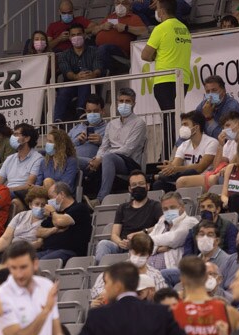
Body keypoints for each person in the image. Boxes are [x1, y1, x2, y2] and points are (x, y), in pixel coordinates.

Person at [141, 0, 192, 154]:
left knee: (168, 120)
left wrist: (154, 56)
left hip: (164, 79)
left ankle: (169, 154)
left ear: (161, 11)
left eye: (157, 9)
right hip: (183, 79)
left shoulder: (161, 28)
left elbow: (145, 55)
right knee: (173, 119)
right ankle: (171, 152)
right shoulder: (184, 28)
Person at [85, 88, 148, 202]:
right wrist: (98, 158)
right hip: (108, 159)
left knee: (108, 157)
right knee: (79, 162)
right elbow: (104, 146)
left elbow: (127, 150)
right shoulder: (111, 124)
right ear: (117, 103)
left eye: (127, 101)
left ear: (134, 103)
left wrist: (102, 158)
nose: (124, 104)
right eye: (121, 101)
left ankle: (100, 199)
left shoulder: (139, 123)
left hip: (129, 162)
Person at [93, 170, 162, 264]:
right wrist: (120, 243)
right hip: (124, 246)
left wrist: (143, 232)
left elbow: (162, 225)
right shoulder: (122, 208)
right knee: (103, 244)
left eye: (141, 184)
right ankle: (101, 276)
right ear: (130, 189)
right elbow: (114, 234)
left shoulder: (155, 206)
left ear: (148, 186)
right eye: (134, 185)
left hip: (143, 245)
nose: (137, 187)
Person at [152, 111, 218, 192]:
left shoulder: (211, 142)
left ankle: (155, 176)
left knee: (190, 172)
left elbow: (200, 168)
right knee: (158, 185)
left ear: (196, 127)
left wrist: (175, 168)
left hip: (202, 180)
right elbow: (175, 165)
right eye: (182, 125)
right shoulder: (183, 145)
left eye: (186, 124)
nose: (182, 128)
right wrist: (170, 167)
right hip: (183, 179)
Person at [177, 112, 239, 193]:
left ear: (238, 124)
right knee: (181, 181)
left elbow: (234, 164)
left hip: (234, 177)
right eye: (223, 127)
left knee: (183, 181)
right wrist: (220, 145)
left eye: (228, 125)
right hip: (219, 176)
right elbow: (216, 167)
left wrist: (225, 169)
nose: (225, 130)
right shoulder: (229, 143)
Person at [92, 232, 167, 302]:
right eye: (135, 253)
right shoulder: (115, 271)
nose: (138, 257)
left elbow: (164, 301)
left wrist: (153, 298)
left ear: (149, 255)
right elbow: (95, 292)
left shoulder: (156, 275)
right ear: (130, 251)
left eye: (142, 255)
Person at [0, 187, 49, 263]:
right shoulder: (21, 215)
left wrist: (19, 250)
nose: (40, 207)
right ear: (30, 205)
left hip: (29, 252)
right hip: (12, 250)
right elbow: (6, 238)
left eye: (43, 205)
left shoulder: (48, 220)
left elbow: (39, 243)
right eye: (37, 204)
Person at [54, 24, 102, 123]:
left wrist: (92, 74)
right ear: (70, 38)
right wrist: (76, 77)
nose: (76, 37)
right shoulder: (64, 55)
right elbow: (66, 71)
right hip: (71, 85)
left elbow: (98, 68)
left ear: (84, 35)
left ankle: (81, 112)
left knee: (85, 82)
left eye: (79, 34)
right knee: (63, 92)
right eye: (73, 35)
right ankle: (57, 121)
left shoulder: (95, 51)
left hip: (90, 84)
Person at [36, 182, 92, 263]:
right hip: (47, 251)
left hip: (69, 252)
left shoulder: (79, 208)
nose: (49, 201)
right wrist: (54, 230)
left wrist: (52, 212)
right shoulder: (55, 214)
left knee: (42, 263)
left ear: (62, 194)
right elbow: (39, 232)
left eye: (51, 197)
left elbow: (60, 222)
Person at [90, 0, 148, 74]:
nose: (120, 5)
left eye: (124, 3)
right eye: (117, 3)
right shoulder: (110, 17)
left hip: (120, 51)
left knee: (103, 49)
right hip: (101, 48)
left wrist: (126, 28)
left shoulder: (133, 17)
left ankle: (108, 72)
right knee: (89, 50)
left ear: (130, 6)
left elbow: (144, 31)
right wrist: (102, 26)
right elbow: (93, 31)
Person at [147, 191, 198, 271]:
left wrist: (149, 243)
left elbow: (173, 239)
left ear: (182, 207)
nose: (169, 211)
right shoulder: (162, 220)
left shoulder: (190, 221)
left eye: (172, 207)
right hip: (149, 269)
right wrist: (157, 249)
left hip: (171, 270)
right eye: (165, 209)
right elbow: (144, 244)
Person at [0, 123, 42, 205]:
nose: (12, 137)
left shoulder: (37, 158)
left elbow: (29, 185)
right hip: (7, 192)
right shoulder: (10, 159)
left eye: (16, 134)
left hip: (23, 194)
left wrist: (6, 190)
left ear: (27, 138)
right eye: (13, 134)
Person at [70, 95, 108, 166]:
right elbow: (64, 146)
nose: (92, 114)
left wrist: (101, 141)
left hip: (91, 162)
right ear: (85, 112)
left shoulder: (109, 128)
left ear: (103, 111)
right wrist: (77, 141)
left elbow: (115, 149)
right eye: (89, 111)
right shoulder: (77, 128)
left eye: (96, 111)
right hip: (71, 160)